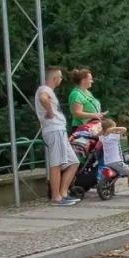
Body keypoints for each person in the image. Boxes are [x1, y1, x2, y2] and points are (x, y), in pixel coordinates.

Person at [35, 67, 81, 205]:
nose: (61, 79)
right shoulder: (45, 89)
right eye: (60, 77)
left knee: (73, 162)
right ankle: (56, 197)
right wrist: (49, 111)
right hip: (54, 129)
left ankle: (63, 193)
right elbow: (43, 98)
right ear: (55, 78)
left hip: (59, 130)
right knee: (56, 163)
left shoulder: (49, 91)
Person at [98, 117, 129, 196]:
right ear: (111, 128)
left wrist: (105, 130)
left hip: (107, 161)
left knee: (116, 174)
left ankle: (111, 190)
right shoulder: (114, 136)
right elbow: (124, 129)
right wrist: (113, 128)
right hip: (116, 161)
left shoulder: (102, 138)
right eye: (113, 127)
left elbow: (97, 134)